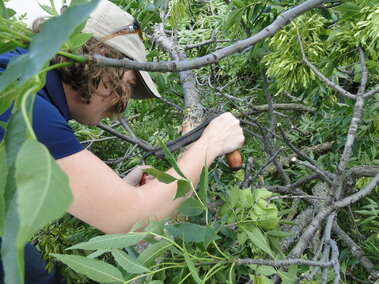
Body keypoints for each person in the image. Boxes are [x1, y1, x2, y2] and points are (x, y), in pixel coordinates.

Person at [0, 0, 244, 282]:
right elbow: (132, 221)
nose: (123, 105)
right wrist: (210, 145)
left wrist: (115, 193)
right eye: (128, 85)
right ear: (99, 59)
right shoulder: (27, 105)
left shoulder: (24, 77)